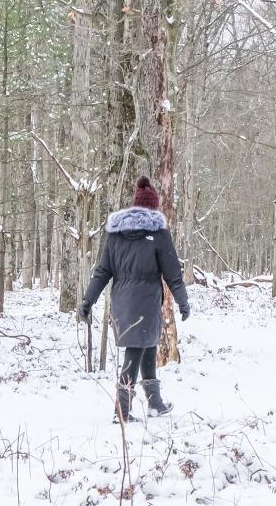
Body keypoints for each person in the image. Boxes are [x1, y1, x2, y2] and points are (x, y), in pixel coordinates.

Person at [78, 176, 191, 423]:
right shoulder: (159, 234)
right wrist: (183, 301)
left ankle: (155, 404)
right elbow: (173, 274)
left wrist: (88, 301)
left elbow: (102, 272)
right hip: (147, 303)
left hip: (121, 303)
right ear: (154, 208)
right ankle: (122, 410)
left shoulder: (116, 235)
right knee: (134, 353)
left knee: (147, 347)